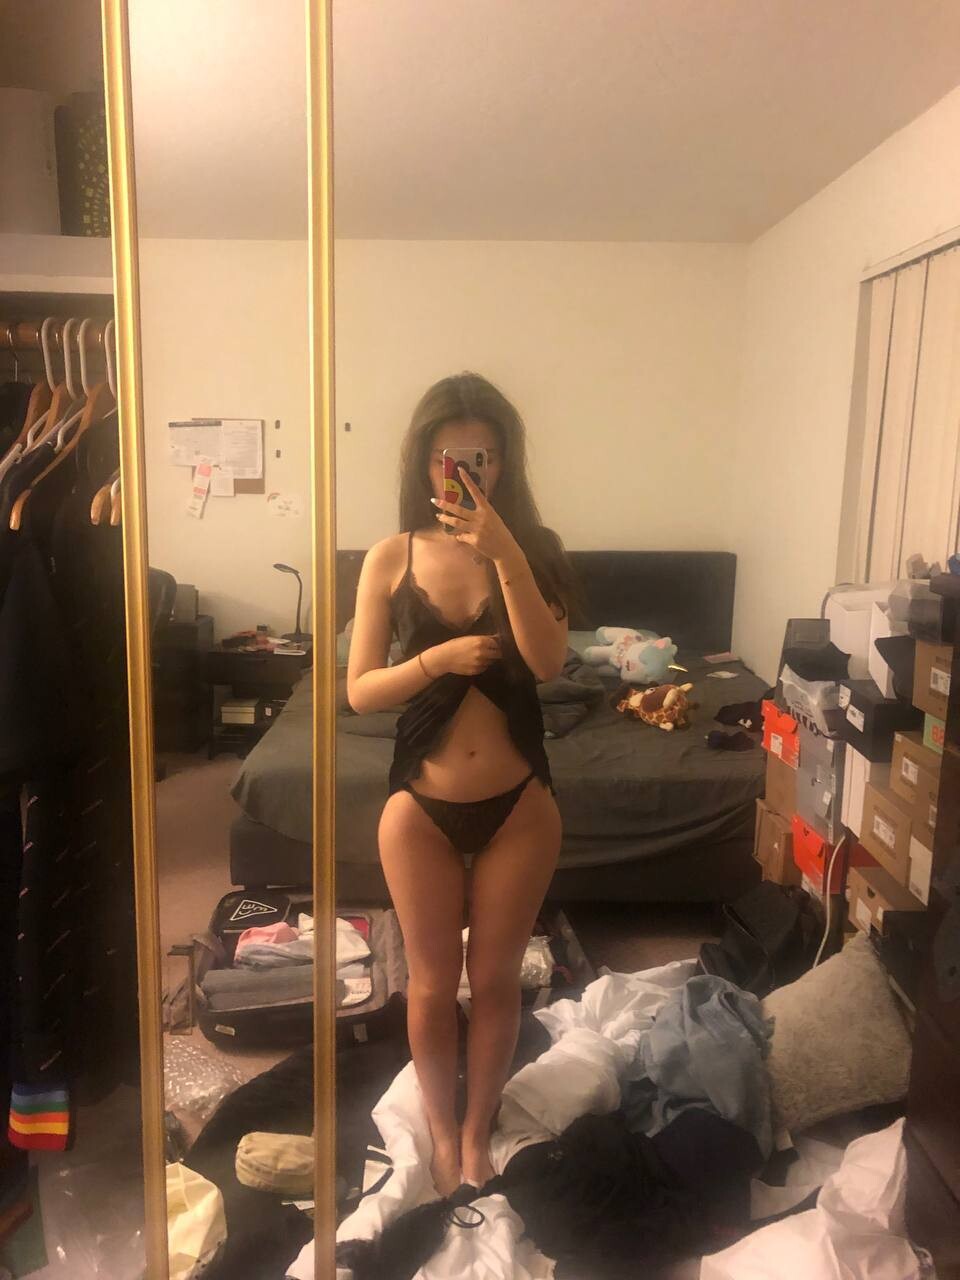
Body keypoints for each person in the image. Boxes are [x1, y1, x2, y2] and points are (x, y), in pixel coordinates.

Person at [347, 372, 578, 1195]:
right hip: (420, 809)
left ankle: (478, 1131)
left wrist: (506, 550)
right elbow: (359, 690)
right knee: (431, 984)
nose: (465, 473)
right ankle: (442, 1135)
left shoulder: (536, 550)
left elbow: (547, 663)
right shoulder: (390, 557)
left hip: (521, 809)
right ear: (424, 461)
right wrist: (437, 660)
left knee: (497, 979)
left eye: (481, 457)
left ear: (504, 462)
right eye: (449, 458)